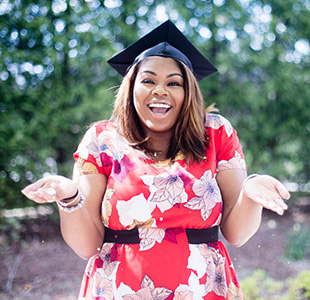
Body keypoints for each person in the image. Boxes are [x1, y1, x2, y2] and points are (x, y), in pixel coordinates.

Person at [21, 20, 290, 299]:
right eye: (148, 80)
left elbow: (237, 234)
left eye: (174, 83)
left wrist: (250, 192)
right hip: (119, 288)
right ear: (131, 87)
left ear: (188, 93)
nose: (160, 90)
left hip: (202, 288)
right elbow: (86, 245)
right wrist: (69, 196)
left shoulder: (216, 133)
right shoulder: (101, 140)